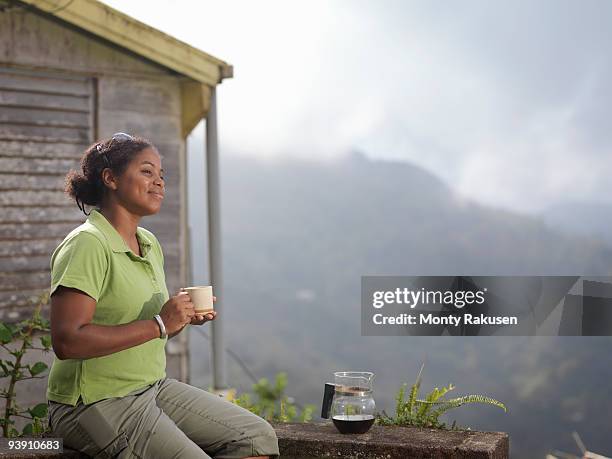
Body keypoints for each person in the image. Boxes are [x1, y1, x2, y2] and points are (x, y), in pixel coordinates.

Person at [47, 133, 279, 459]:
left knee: (257, 437)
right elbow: (68, 341)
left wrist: (180, 318)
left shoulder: (149, 244)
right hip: (95, 401)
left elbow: (150, 328)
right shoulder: (88, 243)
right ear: (110, 178)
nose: (159, 182)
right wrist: (160, 323)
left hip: (150, 387)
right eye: (146, 172)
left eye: (161, 175)